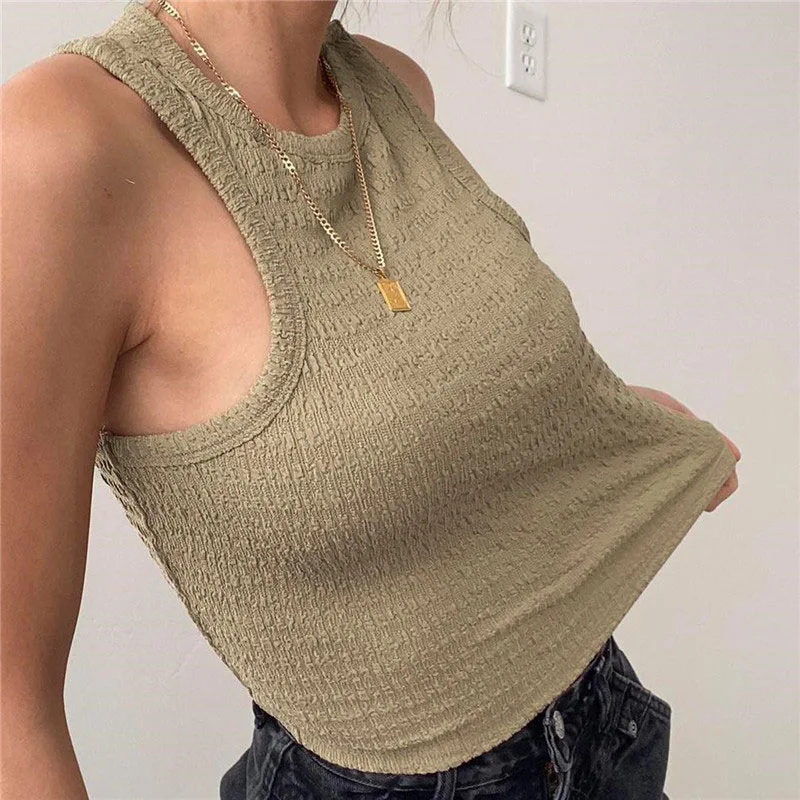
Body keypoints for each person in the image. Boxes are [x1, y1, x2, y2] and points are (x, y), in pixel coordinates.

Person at [1, 1, 740, 798]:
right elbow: (10, 711)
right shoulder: (54, 147)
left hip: (605, 732)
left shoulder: (393, 90)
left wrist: (594, 420)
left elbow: (413, 387)